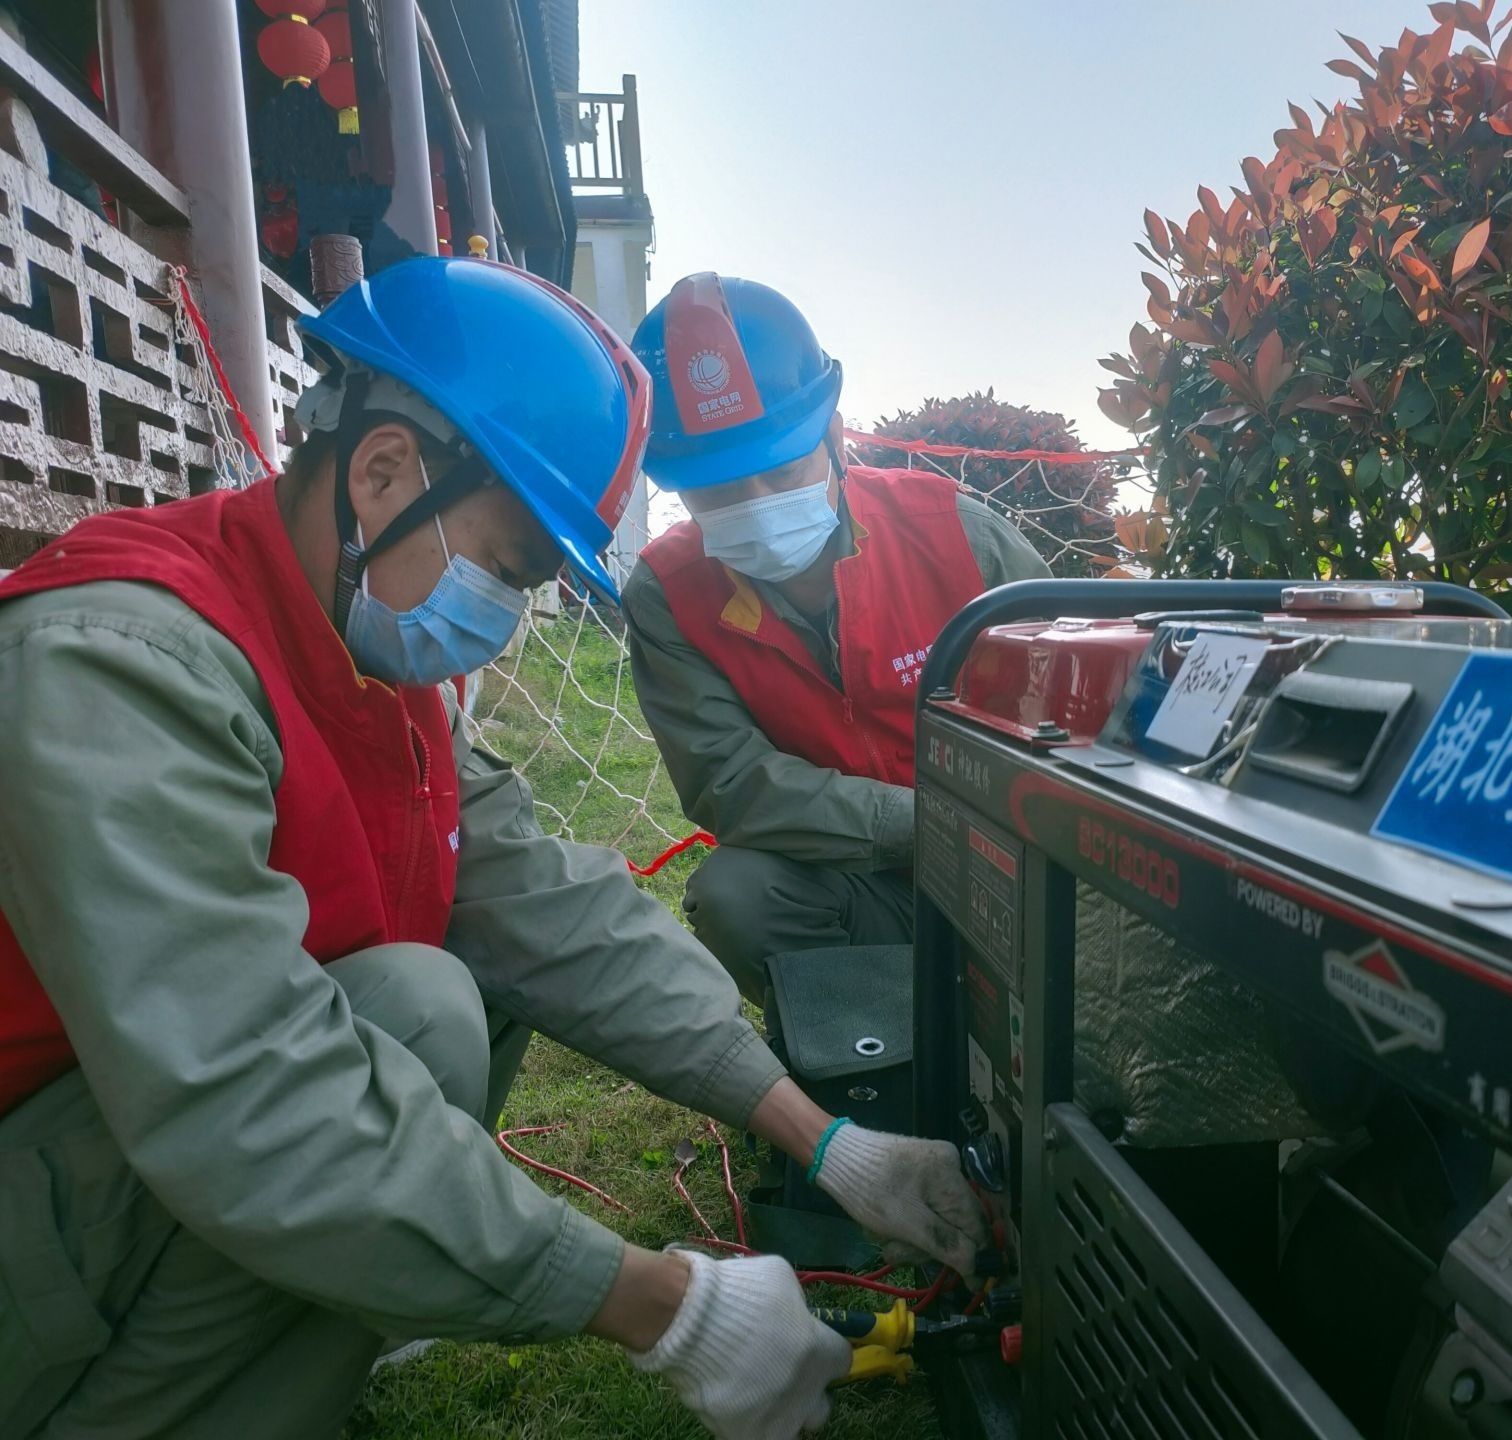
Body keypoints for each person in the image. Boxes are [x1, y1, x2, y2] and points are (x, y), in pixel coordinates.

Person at [0, 257, 986, 1440]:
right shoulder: (120, 668)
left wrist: (827, 1142)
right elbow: (252, 1093)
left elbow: (557, 916)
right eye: (510, 569)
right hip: (45, 1230)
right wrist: (663, 1307)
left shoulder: (372, 661)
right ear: (381, 473)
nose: (504, 620)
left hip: (104, 1188)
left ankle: (319, 1320)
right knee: (411, 1007)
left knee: (451, 983)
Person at [624, 275, 1050, 1003]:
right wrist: (921, 827)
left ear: (834, 434)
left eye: (780, 470)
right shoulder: (666, 595)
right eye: (718, 490)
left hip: (1018, 868)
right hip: (853, 883)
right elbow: (731, 784)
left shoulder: (958, 535)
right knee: (735, 895)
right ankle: (869, 1057)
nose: (754, 506)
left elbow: (1072, 705)